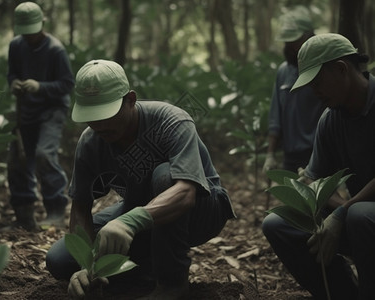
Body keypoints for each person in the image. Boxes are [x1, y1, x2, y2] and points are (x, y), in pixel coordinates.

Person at [45, 59, 236, 299]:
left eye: (106, 113)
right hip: (142, 211)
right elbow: (81, 207)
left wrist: (129, 222)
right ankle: (140, 269)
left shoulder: (172, 120)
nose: (99, 125)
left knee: (165, 175)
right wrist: (86, 265)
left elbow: (186, 192)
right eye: (91, 116)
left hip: (202, 209)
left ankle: (172, 284)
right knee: (61, 260)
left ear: (131, 100)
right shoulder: (90, 142)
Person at [263, 33, 374, 299]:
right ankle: (342, 293)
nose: (313, 91)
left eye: (317, 81)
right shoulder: (330, 119)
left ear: (341, 69)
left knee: (359, 215)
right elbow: (315, 181)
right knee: (277, 223)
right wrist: (309, 193)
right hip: (359, 218)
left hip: (365, 219)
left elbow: (352, 210)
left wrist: (342, 212)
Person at [7, 2, 75, 231]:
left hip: (52, 110)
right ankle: (24, 214)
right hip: (26, 109)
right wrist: (14, 84)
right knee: (18, 159)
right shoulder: (16, 46)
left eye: (33, 31)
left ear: (42, 24)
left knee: (44, 154)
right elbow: (12, 73)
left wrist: (40, 87)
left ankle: (56, 209)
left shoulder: (55, 50)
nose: (29, 37)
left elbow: (67, 84)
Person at [263, 6, 325, 174]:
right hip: (290, 155)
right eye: (287, 41)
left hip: (319, 152)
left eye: (295, 41)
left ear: (310, 37)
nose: (290, 46)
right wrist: (270, 155)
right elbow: (276, 116)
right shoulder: (283, 71)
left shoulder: (324, 69)